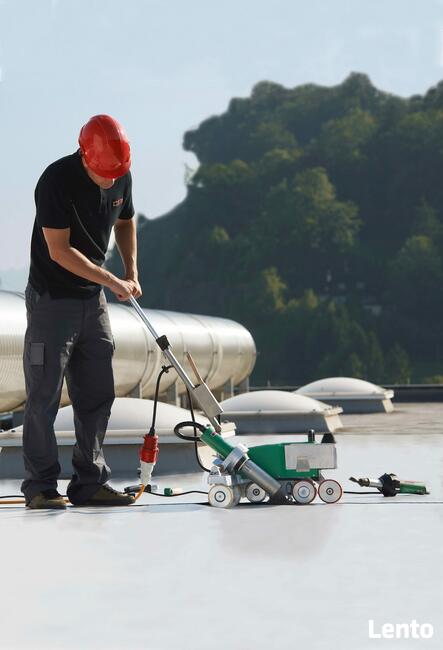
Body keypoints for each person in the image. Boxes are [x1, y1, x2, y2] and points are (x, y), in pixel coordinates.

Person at [22, 114, 142, 509]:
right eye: (103, 174)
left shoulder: (120, 172)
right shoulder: (56, 180)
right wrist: (111, 280)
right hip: (52, 301)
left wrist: (131, 271)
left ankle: (89, 482)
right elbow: (59, 251)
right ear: (85, 156)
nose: (110, 182)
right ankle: (41, 487)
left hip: (94, 301)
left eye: (115, 175)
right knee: (45, 395)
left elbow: (125, 222)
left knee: (96, 393)